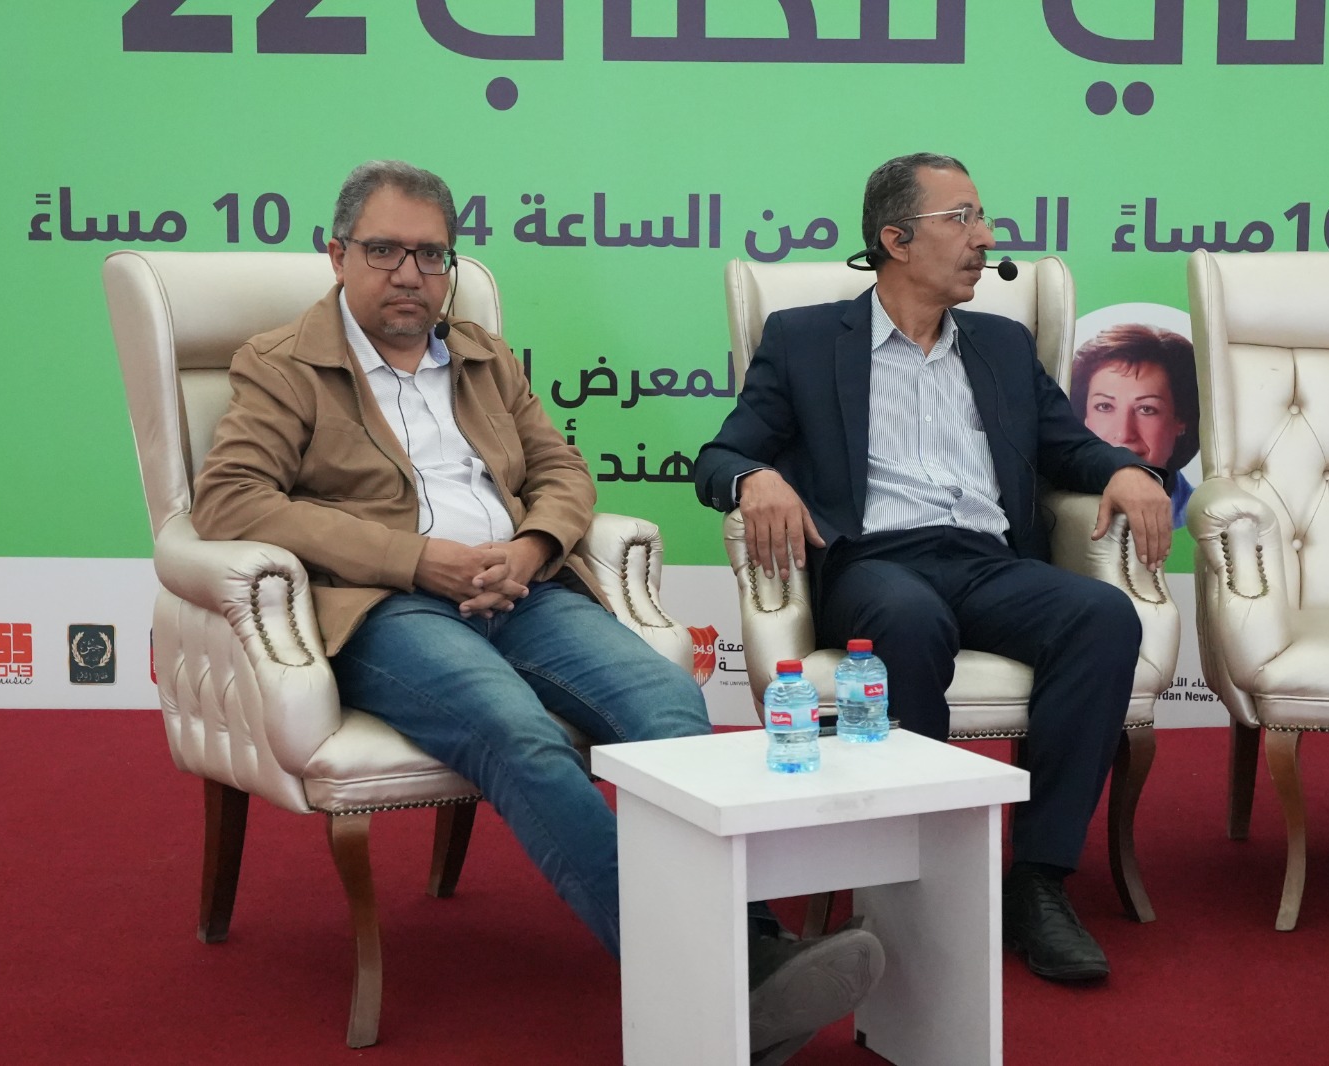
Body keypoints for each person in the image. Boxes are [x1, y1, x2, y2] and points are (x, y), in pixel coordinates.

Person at [193, 160, 882, 1065]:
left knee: (668, 703)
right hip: (393, 609)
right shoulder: (282, 363)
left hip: (522, 590)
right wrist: (416, 560)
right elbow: (232, 500)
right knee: (516, 732)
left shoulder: (481, 355)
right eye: (385, 250)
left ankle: (748, 954)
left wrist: (530, 547)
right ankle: (714, 975)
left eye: (431, 255)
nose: (410, 274)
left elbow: (562, 471)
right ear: (337, 255)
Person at [694, 153, 1171, 982]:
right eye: (963, 218)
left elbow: (1069, 447)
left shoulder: (1001, 343)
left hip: (988, 560)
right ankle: (920, 875)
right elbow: (719, 457)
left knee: (1102, 616)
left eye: (981, 218)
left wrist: (1126, 470)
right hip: (876, 564)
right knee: (911, 620)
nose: (985, 237)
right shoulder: (807, 341)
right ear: (896, 240)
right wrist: (754, 478)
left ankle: (1038, 880)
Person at [1071, 324, 1199, 527]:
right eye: (1104, 406)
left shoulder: (1206, 521)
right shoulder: (1048, 507)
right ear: (1084, 416)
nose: (1124, 434)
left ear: (1181, 420)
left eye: (1146, 409)